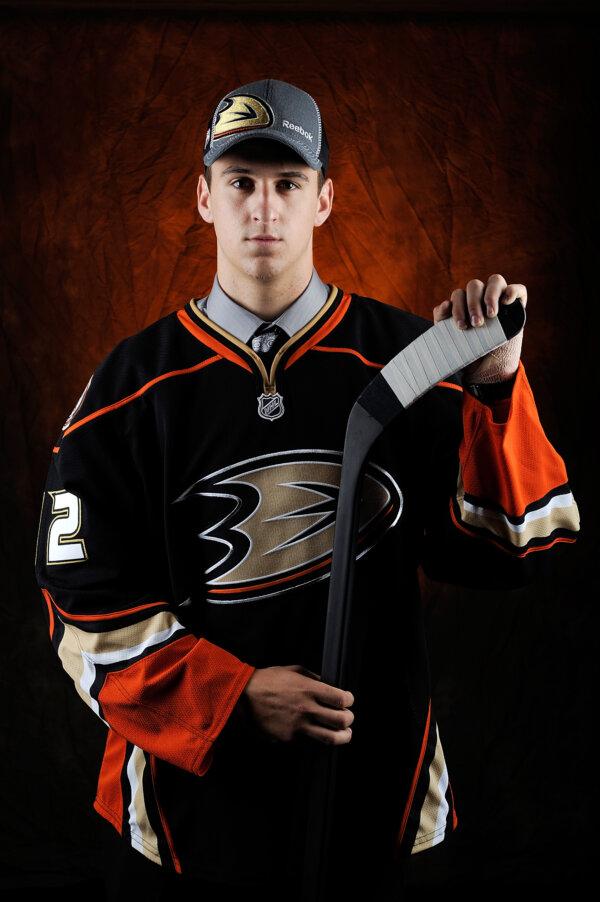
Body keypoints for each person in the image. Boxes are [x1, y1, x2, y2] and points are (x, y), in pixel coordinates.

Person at [33, 78, 581, 901]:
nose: (264, 208)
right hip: (184, 833)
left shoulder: (414, 361)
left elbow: (523, 546)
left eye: (287, 183)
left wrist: (496, 389)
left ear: (323, 200)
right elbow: (79, 608)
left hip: (385, 813)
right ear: (203, 197)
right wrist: (233, 696)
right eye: (241, 181)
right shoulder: (124, 393)